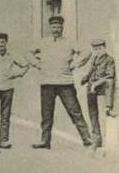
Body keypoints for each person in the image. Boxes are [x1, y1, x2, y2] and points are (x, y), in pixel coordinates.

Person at [28, 15, 94, 149]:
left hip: (65, 83)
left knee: (75, 111)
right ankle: (44, 141)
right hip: (47, 82)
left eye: (59, 27)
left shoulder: (69, 41)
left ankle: (87, 138)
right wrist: (37, 64)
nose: (56, 29)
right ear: (50, 28)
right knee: (46, 114)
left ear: (62, 27)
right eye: (54, 27)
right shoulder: (42, 42)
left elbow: (87, 51)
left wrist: (75, 63)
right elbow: (27, 53)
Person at [80, 37, 116, 148]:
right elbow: (91, 72)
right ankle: (97, 139)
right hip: (91, 89)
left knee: (102, 115)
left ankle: (106, 140)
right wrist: (85, 78)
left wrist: (96, 84)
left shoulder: (109, 59)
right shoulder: (93, 59)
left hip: (101, 90)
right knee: (92, 115)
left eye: (99, 48)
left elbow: (109, 76)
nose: (97, 51)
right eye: (95, 49)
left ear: (104, 48)